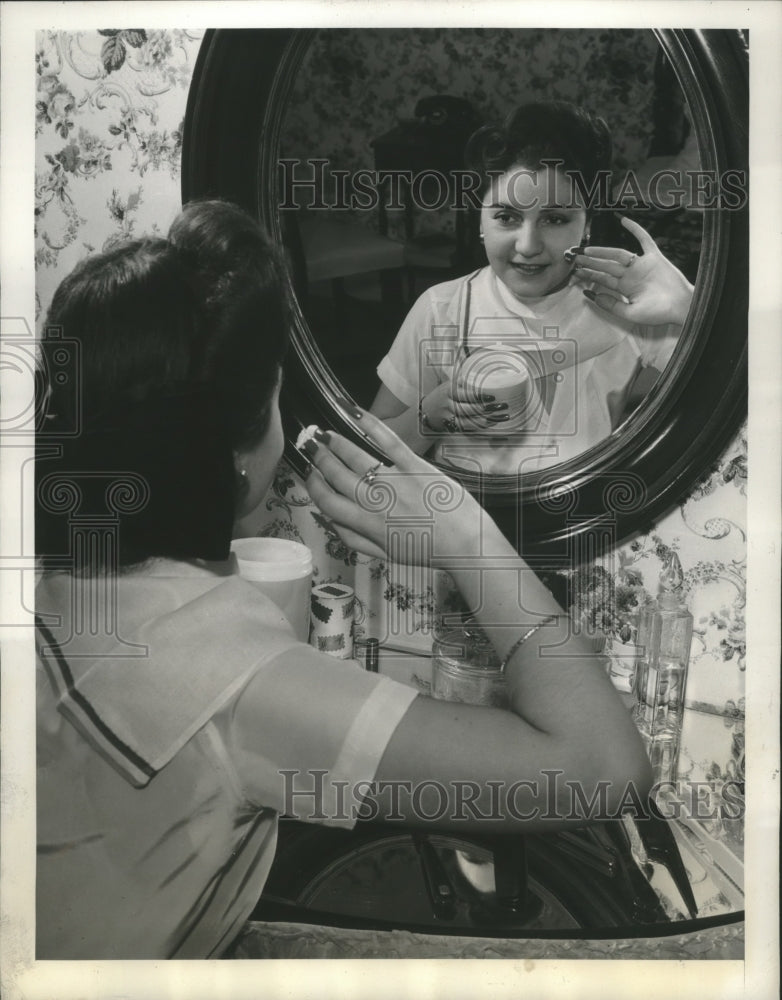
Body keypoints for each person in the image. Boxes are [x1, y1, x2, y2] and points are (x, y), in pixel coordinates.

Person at [35, 199, 651, 960]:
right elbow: (605, 770)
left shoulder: (58, 573)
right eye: (273, 398)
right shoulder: (237, 683)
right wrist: (468, 536)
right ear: (234, 453)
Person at [371, 101, 695, 474]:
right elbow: (371, 451)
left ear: (587, 224)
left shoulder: (626, 306)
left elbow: (740, 410)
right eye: (506, 217)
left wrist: (689, 306)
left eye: (555, 219)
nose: (528, 246)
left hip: (580, 515)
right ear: (480, 218)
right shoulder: (441, 308)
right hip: (463, 522)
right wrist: (432, 412)